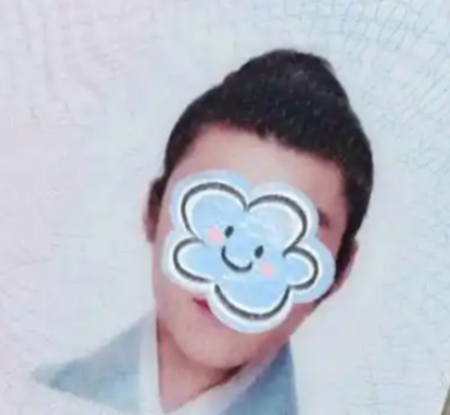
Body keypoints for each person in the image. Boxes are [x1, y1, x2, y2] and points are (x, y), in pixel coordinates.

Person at [35, 48, 375, 415]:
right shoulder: (30, 392)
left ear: (337, 273)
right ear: (153, 210)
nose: (236, 261)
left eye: (283, 235)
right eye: (214, 210)